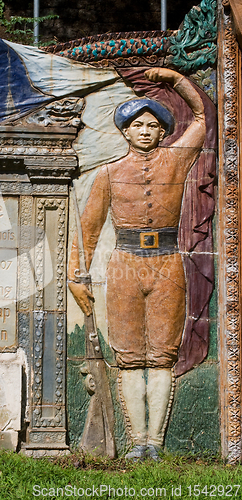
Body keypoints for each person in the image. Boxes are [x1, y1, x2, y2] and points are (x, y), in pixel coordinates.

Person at [68, 68, 206, 460]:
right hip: (125, 264)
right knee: (129, 356)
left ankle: (155, 444)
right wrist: (78, 275)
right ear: (125, 132)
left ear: (163, 132)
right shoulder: (110, 174)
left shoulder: (178, 161)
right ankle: (135, 441)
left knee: (162, 354)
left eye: (152, 125)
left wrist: (175, 81)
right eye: (136, 125)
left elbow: (201, 119)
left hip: (166, 264)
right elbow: (88, 229)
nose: (145, 131)